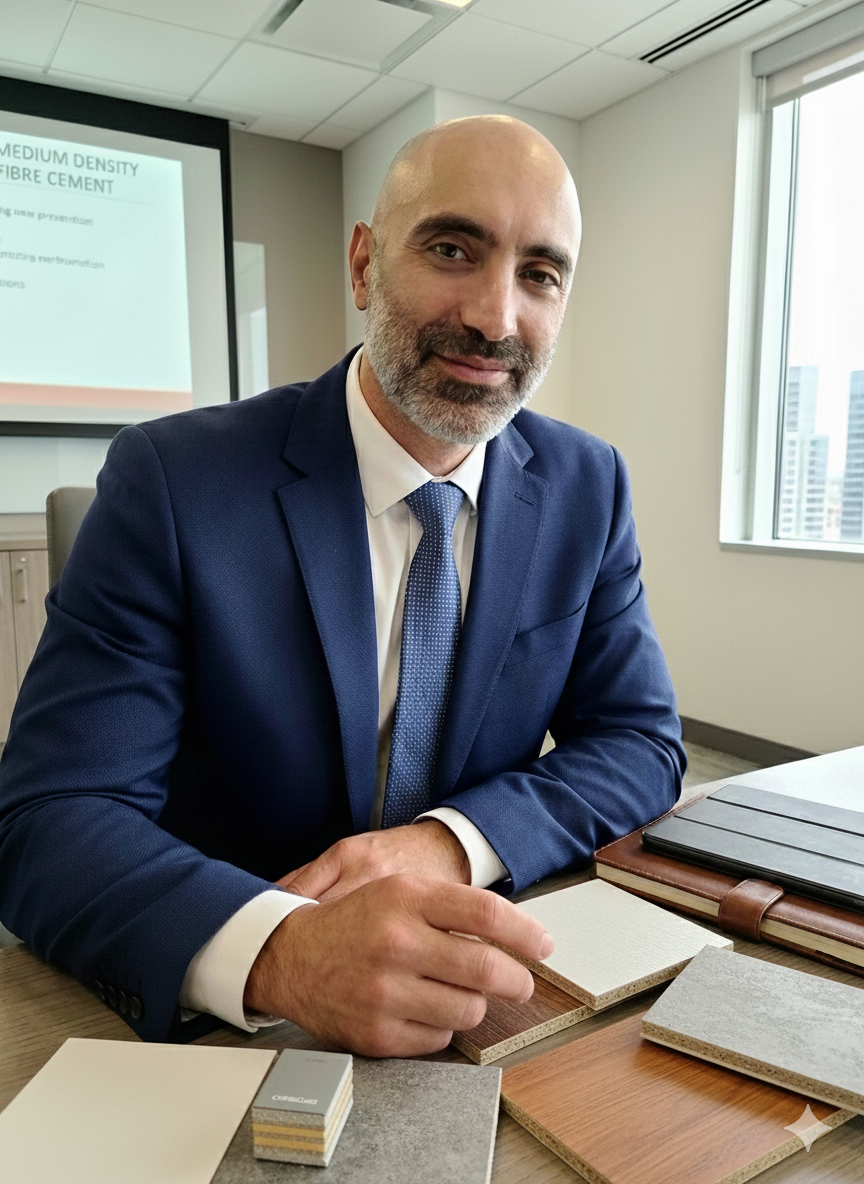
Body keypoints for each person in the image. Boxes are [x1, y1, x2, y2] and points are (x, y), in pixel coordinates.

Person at [0, 116, 685, 1056]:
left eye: (539, 274)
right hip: (227, 1010)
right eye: (453, 247)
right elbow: (50, 820)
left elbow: (639, 741)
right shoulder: (172, 481)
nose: (496, 318)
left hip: (482, 983)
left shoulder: (588, 485)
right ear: (364, 265)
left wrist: (450, 841)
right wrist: (282, 952)